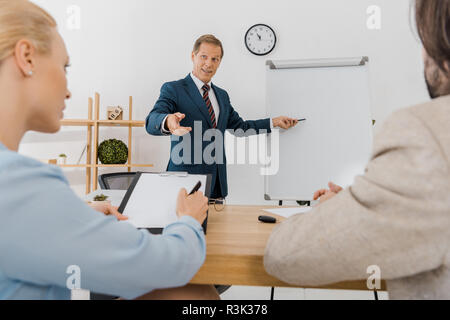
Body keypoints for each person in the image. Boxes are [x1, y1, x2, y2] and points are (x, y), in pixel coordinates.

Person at [0, 0, 218, 300]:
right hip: (182, 211)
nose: (68, 90)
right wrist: (188, 221)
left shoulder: (17, 188)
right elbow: (162, 265)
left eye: (215, 59)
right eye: (64, 67)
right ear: (26, 57)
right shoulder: (21, 182)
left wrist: (73, 215)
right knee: (193, 294)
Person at [264, 0, 450, 300]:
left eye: (424, 39)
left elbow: (285, 256)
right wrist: (362, 204)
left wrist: (334, 211)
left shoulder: (424, 133)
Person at [145, 34, 299, 200]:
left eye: (215, 59)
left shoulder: (222, 96)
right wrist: (168, 121)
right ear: (193, 56)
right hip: (184, 182)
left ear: (219, 62)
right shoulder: (174, 89)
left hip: (216, 184)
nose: (208, 63)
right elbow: (153, 118)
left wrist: (273, 122)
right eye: (204, 57)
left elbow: (241, 128)